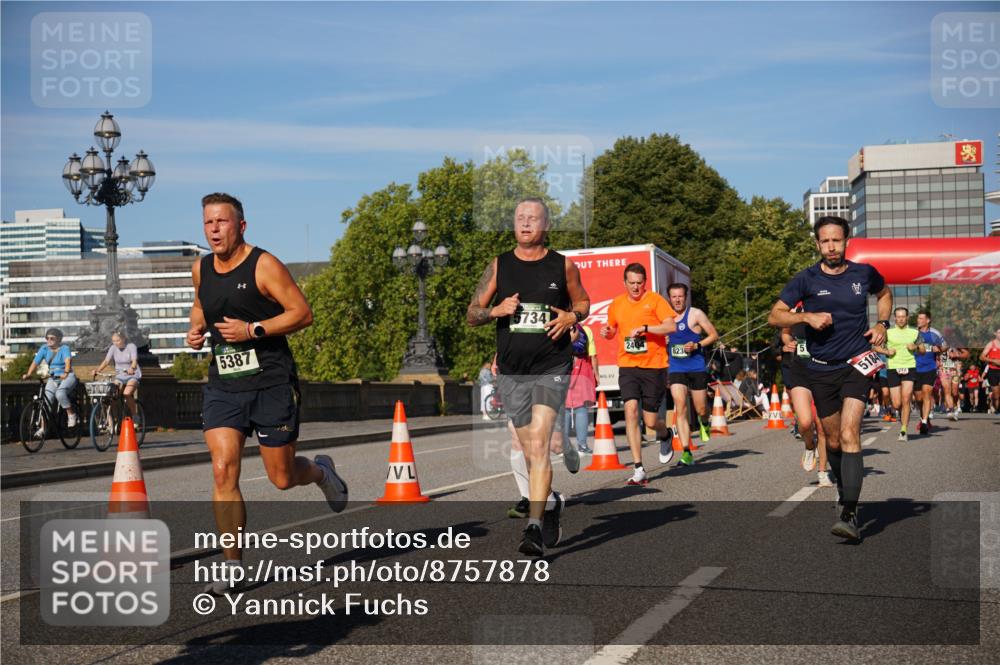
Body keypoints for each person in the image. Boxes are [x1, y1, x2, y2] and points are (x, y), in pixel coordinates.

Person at [187, 192, 347, 593]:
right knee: (223, 468)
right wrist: (195, 330)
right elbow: (200, 306)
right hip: (224, 385)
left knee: (282, 477)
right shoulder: (201, 268)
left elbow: (302, 313)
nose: (214, 230)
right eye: (208, 223)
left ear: (241, 226)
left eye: (222, 222)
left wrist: (252, 330)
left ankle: (320, 472)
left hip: (271, 383)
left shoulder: (264, 265)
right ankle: (233, 567)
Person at [467, 197, 590, 556]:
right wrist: (495, 311)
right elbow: (472, 313)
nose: (524, 223)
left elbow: (583, 302)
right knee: (529, 450)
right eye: (520, 218)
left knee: (538, 444)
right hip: (512, 371)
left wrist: (571, 317)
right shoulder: (499, 265)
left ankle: (533, 528)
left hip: (553, 366)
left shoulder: (562, 265)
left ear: (545, 225)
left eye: (532, 218)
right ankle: (550, 505)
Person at [768, 215, 891, 541]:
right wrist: (806, 316)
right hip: (821, 368)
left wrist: (882, 324)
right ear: (817, 244)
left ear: (846, 241)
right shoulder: (805, 279)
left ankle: (849, 514)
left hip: (857, 363)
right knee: (833, 440)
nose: (831, 246)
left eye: (837, 240)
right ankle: (843, 487)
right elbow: (774, 315)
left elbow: (885, 294)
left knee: (850, 433)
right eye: (825, 241)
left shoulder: (864, 273)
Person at [600, 263, 677, 486]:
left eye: (639, 283)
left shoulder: (655, 300)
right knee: (631, 410)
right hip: (628, 364)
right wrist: (607, 332)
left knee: (650, 420)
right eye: (631, 283)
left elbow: (670, 326)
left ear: (645, 283)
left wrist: (646, 328)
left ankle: (665, 434)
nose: (635, 287)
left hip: (654, 365)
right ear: (624, 282)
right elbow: (612, 329)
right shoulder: (617, 303)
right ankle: (638, 468)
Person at [666, 283, 719, 466]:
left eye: (680, 296)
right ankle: (686, 452)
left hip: (696, 367)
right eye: (674, 297)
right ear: (669, 298)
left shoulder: (696, 314)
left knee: (701, 409)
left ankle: (704, 422)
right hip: (676, 368)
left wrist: (697, 345)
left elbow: (713, 335)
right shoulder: (666, 317)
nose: (677, 300)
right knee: (680, 406)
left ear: (686, 297)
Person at [780, 309, 833, 487]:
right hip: (800, 371)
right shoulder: (796, 312)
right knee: (804, 422)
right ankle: (810, 446)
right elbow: (785, 333)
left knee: (822, 426)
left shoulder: (827, 310)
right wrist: (788, 343)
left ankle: (823, 472)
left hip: (824, 372)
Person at [874, 307, 919, 442]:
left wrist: (915, 347)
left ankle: (904, 430)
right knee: (897, 403)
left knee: (906, 399)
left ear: (907, 317)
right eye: (898, 317)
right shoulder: (888, 332)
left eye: (903, 317)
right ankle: (900, 413)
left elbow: (923, 349)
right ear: (894, 318)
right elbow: (875, 347)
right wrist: (887, 352)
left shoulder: (915, 332)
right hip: (893, 368)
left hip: (909, 366)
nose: (900, 319)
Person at [22, 327, 79, 432]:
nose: (49, 340)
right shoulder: (44, 349)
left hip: (67, 376)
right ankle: (43, 428)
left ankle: (71, 415)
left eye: (52, 338)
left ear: (59, 339)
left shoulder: (64, 348)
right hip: (53, 377)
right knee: (45, 403)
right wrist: (29, 374)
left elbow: (68, 361)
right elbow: (35, 362)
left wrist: (66, 372)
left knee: (60, 394)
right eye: (47, 338)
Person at [565, 323, 598, 455]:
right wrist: (596, 375)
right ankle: (582, 445)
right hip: (582, 366)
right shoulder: (586, 330)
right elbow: (593, 355)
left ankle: (563, 445)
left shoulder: (558, 327)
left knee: (565, 408)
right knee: (581, 408)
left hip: (563, 366)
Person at [93, 331, 141, 419]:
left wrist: (132, 368)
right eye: (114, 341)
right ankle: (116, 419)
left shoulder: (131, 346)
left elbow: (134, 361)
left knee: (127, 393)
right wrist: (97, 370)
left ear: (123, 339)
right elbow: (106, 361)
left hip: (132, 374)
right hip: (120, 375)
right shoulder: (113, 348)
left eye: (118, 340)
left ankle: (135, 415)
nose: (116, 343)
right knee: (112, 395)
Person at [914, 311, 945, 434]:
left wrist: (939, 349)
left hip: (929, 368)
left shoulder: (935, 333)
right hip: (915, 368)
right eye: (918, 318)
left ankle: (924, 422)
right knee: (918, 398)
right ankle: (923, 418)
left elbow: (945, 346)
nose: (919, 320)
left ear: (928, 320)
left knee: (927, 394)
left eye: (921, 318)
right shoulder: (913, 333)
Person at [980, 327, 1000, 414]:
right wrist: (994, 361)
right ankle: (997, 409)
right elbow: (981, 357)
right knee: (996, 394)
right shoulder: (991, 344)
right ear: (995, 333)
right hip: (993, 371)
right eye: (999, 332)